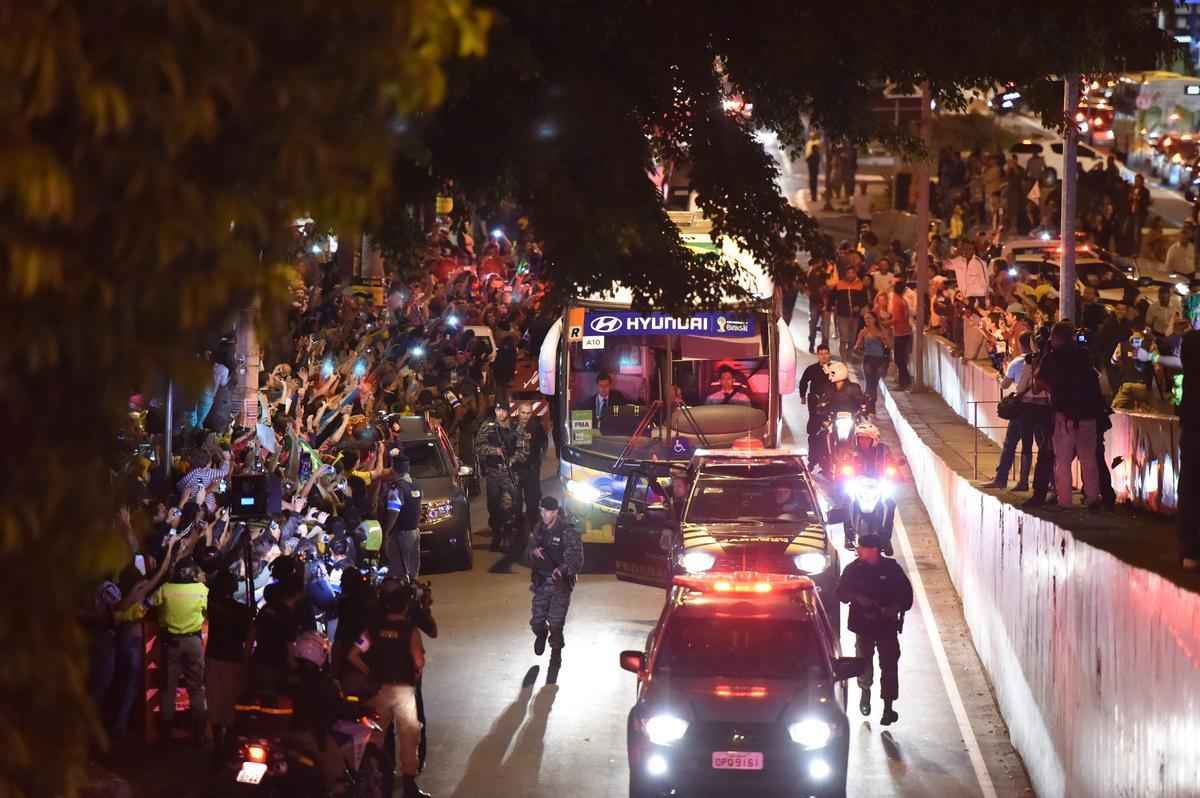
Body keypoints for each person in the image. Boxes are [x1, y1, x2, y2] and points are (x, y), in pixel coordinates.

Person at [350, 578, 437, 798]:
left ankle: (376, 783)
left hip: (379, 690)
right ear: (405, 605)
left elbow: (353, 655)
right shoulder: (410, 631)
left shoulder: (373, 629)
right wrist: (416, 672)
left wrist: (369, 672)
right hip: (404, 692)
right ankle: (408, 786)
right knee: (409, 736)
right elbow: (418, 661)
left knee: (376, 738)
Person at [1136, 303, 1200, 568]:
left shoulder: (1193, 341)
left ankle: (1191, 551)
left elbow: (1182, 359)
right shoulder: (1192, 341)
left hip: (1195, 421)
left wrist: (1150, 357)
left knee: (1192, 485)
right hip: (1195, 421)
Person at [837, 533, 914, 725]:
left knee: (889, 666)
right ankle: (865, 692)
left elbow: (906, 595)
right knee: (864, 663)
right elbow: (841, 593)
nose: (858, 550)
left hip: (887, 626)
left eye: (862, 548)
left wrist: (893, 608)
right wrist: (857, 597)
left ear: (873, 550)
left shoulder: (892, 569)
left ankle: (888, 707)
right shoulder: (853, 570)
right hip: (864, 626)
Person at [1036, 320, 1105, 510]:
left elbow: (1037, 384)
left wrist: (1054, 391)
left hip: (1064, 415)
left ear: (1056, 339)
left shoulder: (1051, 358)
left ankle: (1064, 501)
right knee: (1089, 459)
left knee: (1063, 461)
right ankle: (1092, 498)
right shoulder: (1085, 355)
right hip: (1088, 415)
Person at [150, 559, 209, 743]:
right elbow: (207, 611)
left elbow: (150, 604)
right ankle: (199, 734)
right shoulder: (201, 590)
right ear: (192, 573)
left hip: (171, 643)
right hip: (194, 643)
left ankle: (166, 735)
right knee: (196, 688)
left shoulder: (166, 589)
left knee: (168, 689)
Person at [981, 332, 1041, 491]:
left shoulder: (1018, 362)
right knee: (1042, 447)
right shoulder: (1043, 361)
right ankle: (1047, 483)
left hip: (1022, 408)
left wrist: (1002, 375)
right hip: (1042, 409)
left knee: (1010, 445)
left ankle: (1003, 480)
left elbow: (1005, 385)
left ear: (1021, 345)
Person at [527, 497, 584, 662]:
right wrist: (533, 552)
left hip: (560, 585)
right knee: (537, 621)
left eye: (548, 511)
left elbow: (577, 559)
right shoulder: (539, 529)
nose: (544, 515)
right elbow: (528, 548)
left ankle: (556, 650)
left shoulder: (567, 532)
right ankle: (541, 634)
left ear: (556, 512)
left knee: (556, 623)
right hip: (541, 582)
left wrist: (562, 569)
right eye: (542, 511)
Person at [204, 569, 252, 750]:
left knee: (215, 701)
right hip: (233, 658)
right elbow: (247, 636)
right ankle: (228, 743)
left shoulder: (213, 606)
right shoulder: (242, 610)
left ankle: (218, 743)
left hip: (215, 657)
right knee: (231, 702)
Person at [473, 401, 530, 551]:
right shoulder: (488, 426)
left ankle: (508, 535)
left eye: (503, 410)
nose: (501, 414)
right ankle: (496, 533)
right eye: (498, 410)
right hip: (493, 473)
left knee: (509, 506)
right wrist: (494, 451)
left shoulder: (516, 428)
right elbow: (478, 447)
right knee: (493, 506)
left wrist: (512, 459)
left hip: (510, 473)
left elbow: (524, 450)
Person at [382, 457, 422, 578]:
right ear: (408, 468)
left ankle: (405, 593)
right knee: (413, 568)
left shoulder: (397, 488)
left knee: (400, 569)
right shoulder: (416, 485)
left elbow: (394, 512)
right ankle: (414, 591)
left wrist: (386, 532)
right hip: (415, 531)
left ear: (393, 469)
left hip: (401, 534)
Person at [799, 344, 834, 463]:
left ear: (829, 354)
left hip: (831, 403)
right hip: (815, 402)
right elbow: (803, 382)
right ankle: (813, 458)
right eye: (821, 354)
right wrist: (802, 396)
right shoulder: (811, 369)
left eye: (826, 353)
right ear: (818, 355)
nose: (824, 356)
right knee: (814, 430)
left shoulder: (835, 369)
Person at [518, 402, 548, 530]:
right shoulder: (512, 427)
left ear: (532, 413)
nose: (525, 416)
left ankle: (533, 528)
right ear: (518, 413)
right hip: (516, 471)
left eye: (528, 413)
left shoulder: (536, 427)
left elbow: (544, 443)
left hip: (531, 469)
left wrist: (539, 460)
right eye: (523, 413)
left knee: (532, 502)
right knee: (515, 502)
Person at [854, 311, 892, 414]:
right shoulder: (863, 332)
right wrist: (858, 347)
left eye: (869, 318)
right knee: (869, 383)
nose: (867, 321)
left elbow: (889, 345)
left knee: (874, 384)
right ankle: (868, 407)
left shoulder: (882, 331)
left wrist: (882, 339)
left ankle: (871, 406)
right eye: (865, 319)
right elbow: (857, 346)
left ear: (874, 319)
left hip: (879, 360)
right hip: (868, 359)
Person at [833, 266, 868, 361]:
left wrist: (859, 306)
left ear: (855, 274)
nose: (850, 275)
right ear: (845, 274)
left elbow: (865, 300)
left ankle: (849, 354)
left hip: (855, 316)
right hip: (842, 315)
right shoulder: (839, 285)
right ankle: (843, 358)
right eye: (849, 273)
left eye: (853, 273)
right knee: (843, 338)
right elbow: (832, 298)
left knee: (852, 339)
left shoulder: (860, 286)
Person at [890, 283, 913, 390]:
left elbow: (897, 319)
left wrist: (885, 323)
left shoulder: (897, 301)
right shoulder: (902, 300)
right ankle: (906, 380)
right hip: (905, 331)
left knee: (899, 359)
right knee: (901, 359)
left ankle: (903, 382)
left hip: (900, 333)